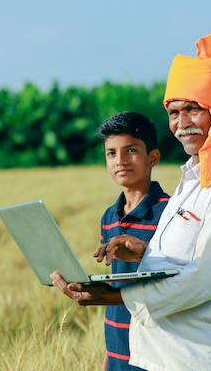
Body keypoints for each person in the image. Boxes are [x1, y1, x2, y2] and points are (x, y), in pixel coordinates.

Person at [51, 33, 211, 371]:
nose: (181, 125)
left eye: (193, 110)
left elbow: (204, 280)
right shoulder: (200, 174)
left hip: (208, 359)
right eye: (173, 112)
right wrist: (144, 252)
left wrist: (115, 297)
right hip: (173, 358)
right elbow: (193, 254)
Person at [63, 111, 170, 370]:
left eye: (131, 150)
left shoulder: (170, 212)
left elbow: (177, 279)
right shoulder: (109, 217)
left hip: (157, 350)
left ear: (152, 158)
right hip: (117, 346)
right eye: (111, 153)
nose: (120, 160)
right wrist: (107, 360)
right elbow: (116, 281)